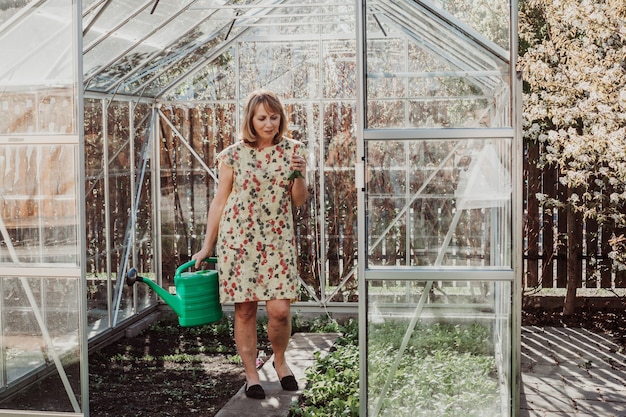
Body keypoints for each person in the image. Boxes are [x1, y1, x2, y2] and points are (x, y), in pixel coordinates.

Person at [192, 89, 308, 400]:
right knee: (244, 311)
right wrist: (207, 246)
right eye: (262, 118)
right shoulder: (231, 155)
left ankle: (280, 362)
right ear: (251, 120)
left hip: (277, 239)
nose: (269, 123)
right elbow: (220, 201)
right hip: (239, 240)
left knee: (280, 310)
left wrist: (300, 173)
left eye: (274, 117)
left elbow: (298, 200)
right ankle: (252, 376)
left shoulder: (294, 151)